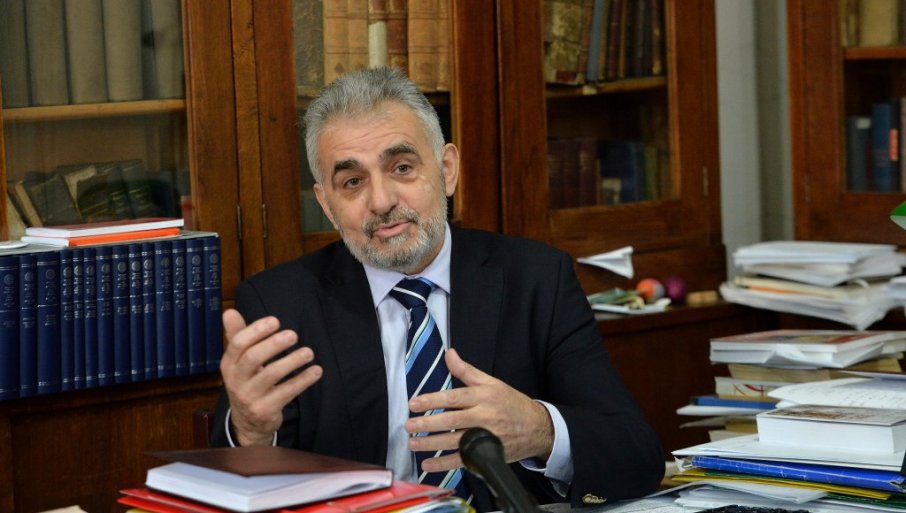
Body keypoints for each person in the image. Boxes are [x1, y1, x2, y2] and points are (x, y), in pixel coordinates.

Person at [210, 67, 664, 511]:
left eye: (402, 167)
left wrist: (540, 428)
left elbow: (635, 455)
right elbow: (228, 492)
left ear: (447, 170)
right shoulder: (279, 306)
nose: (382, 201)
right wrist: (250, 433)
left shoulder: (536, 280)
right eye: (352, 182)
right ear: (327, 205)